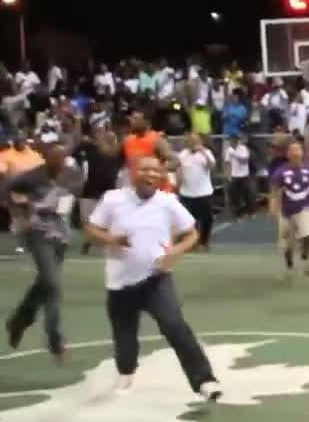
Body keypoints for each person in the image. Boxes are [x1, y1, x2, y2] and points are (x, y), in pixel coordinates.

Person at [85, 156, 221, 400]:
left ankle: (204, 380)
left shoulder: (168, 202)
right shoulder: (113, 199)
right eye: (145, 169)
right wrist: (111, 240)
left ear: (161, 176)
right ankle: (125, 374)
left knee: (175, 325)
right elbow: (92, 228)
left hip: (156, 279)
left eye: (155, 171)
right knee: (124, 339)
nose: (150, 174)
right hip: (120, 282)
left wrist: (175, 252)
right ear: (134, 172)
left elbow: (192, 234)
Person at [4, 144, 82, 362]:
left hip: (61, 236)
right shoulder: (32, 177)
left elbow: (75, 193)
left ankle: (18, 321)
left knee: (45, 283)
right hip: (37, 234)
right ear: (45, 160)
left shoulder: (71, 175)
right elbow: (7, 191)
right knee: (52, 284)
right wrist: (21, 211)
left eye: (62, 158)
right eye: (54, 158)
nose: (59, 163)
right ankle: (55, 341)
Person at [270, 141, 309, 279]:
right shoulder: (281, 172)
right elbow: (275, 191)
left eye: (298, 150)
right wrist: (274, 208)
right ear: (288, 154)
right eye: (293, 150)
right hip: (286, 210)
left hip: (305, 206)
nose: (296, 153)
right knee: (287, 244)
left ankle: (305, 257)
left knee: (308, 234)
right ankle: (290, 265)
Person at [76, 129, 123, 255]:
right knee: (88, 221)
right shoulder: (93, 151)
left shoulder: (119, 155)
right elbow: (78, 147)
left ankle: (106, 243)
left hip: (109, 193)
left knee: (107, 221)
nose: (110, 141)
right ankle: (89, 242)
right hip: (90, 191)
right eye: (107, 138)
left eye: (112, 138)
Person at [177, 133, 216, 251]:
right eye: (190, 140)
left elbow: (212, 166)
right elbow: (179, 169)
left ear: (200, 141)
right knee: (189, 220)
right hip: (187, 192)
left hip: (204, 192)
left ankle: (204, 242)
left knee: (207, 218)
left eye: (195, 140)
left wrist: (203, 151)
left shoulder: (206, 153)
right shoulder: (182, 154)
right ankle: (192, 242)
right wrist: (178, 182)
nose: (192, 143)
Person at [224, 134, 255, 218]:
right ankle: (238, 214)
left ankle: (251, 212)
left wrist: (233, 154)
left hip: (244, 175)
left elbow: (244, 160)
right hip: (234, 175)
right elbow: (227, 163)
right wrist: (228, 175)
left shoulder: (243, 148)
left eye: (234, 140)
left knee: (248, 195)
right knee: (234, 196)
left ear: (237, 141)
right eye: (231, 140)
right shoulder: (229, 150)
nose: (232, 142)